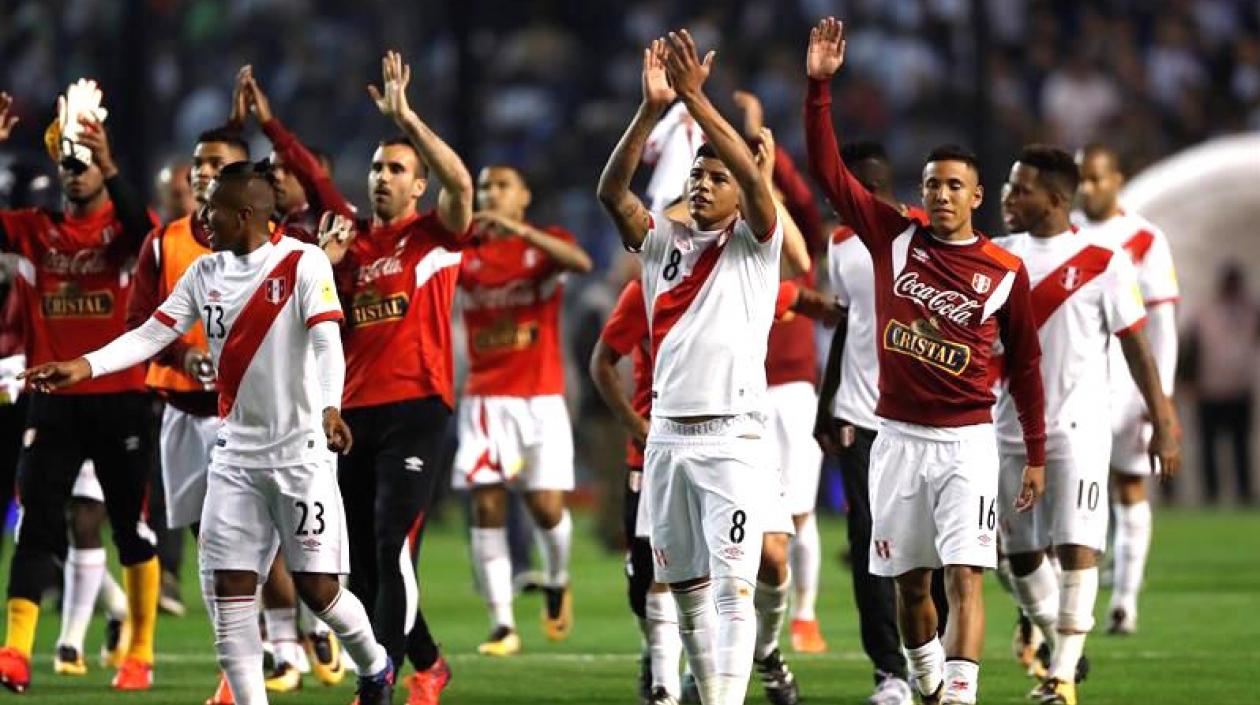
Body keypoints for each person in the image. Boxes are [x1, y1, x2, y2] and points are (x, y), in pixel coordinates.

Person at [22, 161, 396, 705]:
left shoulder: (302, 262)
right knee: (231, 592)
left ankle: (376, 665)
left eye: (214, 206)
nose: (202, 214)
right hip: (236, 459)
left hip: (301, 457)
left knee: (318, 591)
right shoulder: (204, 273)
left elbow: (326, 343)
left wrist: (332, 407)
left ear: (245, 214)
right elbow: (151, 332)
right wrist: (83, 364)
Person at [805, 18, 1047, 705]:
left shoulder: (1003, 269)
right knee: (910, 583)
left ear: (976, 196)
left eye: (952, 186)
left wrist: (1032, 449)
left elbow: (1025, 364)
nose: (939, 195)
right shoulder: (892, 235)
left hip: (967, 441)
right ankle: (926, 680)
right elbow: (828, 170)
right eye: (931, 184)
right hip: (897, 439)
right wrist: (819, 88)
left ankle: (960, 695)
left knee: (965, 575)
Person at [598, 31, 788, 705]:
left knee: (734, 584)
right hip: (668, 441)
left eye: (719, 177)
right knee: (685, 593)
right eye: (697, 176)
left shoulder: (756, 246)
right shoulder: (660, 246)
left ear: (745, 192)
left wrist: (698, 100)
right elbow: (610, 191)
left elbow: (757, 190)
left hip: (731, 437)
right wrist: (652, 110)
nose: (703, 184)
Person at [591, 272, 835, 705]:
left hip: (743, 440)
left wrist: (851, 315)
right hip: (670, 441)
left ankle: (766, 653)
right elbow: (603, 360)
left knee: (772, 561)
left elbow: (802, 281)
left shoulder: (745, 269)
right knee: (674, 578)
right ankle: (668, 687)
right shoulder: (647, 285)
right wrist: (637, 426)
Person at [994, 145, 1181, 705]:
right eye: (1008, 186)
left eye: (1020, 188)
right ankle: (1057, 641)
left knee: (1078, 546)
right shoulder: (998, 256)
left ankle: (1063, 677)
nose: (1009, 196)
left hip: (1079, 427)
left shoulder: (1105, 261)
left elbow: (1137, 349)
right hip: (1009, 428)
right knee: (1018, 556)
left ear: (1054, 199)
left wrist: (1164, 419)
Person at [317, 50, 473, 705]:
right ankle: (429, 662)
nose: (383, 177)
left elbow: (462, 187)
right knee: (357, 562)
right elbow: (318, 330)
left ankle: (374, 681)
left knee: (390, 542)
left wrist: (407, 115)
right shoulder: (346, 249)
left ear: (417, 186)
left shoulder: (435, 235)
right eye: (378, 166)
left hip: (417, 406)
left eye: (397, 169)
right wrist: (321, 269)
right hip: (354, 415)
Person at [0, 88, 160, 693]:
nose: (72, 172)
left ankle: (139, 652)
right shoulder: (34, 230)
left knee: (129, 527)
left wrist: (111, 163)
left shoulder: (124, 235)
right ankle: (15, 651)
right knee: (38, 525)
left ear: (102, 167)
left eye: (83, 162)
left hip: (120, 396)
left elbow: (143, 225)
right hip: (53, 399)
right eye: (65, 162)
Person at [228, 65, 346, 692]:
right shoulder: (259, 240)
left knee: (315, 546)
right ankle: (286, 650)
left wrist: (270, 122)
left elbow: (317, 177)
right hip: (262, 408)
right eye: (268, 167)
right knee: (266, 543)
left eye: (283, 167)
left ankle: (326, 628)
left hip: (320, 407)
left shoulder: (324, 230)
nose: (274, 172)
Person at [451, 163, 590, 656]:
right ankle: (502, 624)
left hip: (541, 397)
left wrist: (521, 232)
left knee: (547, 508)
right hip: (486, 397)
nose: (491, 193)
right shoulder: (464, 250)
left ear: (523, 195)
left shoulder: (543, 243)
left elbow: (580, 263)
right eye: (485, 186)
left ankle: (556, 578)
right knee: (487, 504)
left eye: (502, 185)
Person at [814, 139, 932, 705]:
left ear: (869, 189)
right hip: (860, 420)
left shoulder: (926, 235)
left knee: (929, 548)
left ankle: (934, 659)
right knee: (870, 544)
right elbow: (847, 324)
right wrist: (825, 406)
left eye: (845, 192)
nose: (836, 205)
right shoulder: (839, 245)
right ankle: (889, 672)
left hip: (924, 419)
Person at [730, 89, 830, 656]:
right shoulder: (728, 246)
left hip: (792, 388)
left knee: (799, 511)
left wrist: (762, 145)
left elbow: (795, 200)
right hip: (740, 394)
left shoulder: (797, 240)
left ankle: (806, 615)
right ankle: (750, 612)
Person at [1073, 143, 1180, 634]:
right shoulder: (1065, 233)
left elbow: (1162, 323)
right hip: (1079, 387)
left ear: (1118, 179)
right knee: (1077, 495)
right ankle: (1075, 604)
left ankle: (1125, 604)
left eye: (1097, 178)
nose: (1088, 187)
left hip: (1131, 390)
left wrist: (1162, 401)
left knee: (1130, 485)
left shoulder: (1144, 238)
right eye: (1082, 178)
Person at [1185, 262, 1256, 503]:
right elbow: (1189, 348)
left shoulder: (1250, 310)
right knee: (1208, 446)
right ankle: (1211, 494)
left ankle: (1244, 493)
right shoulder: (1205, 312)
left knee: (1240, 446)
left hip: (1239, 388)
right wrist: (1188, 381)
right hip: (1210, 388)